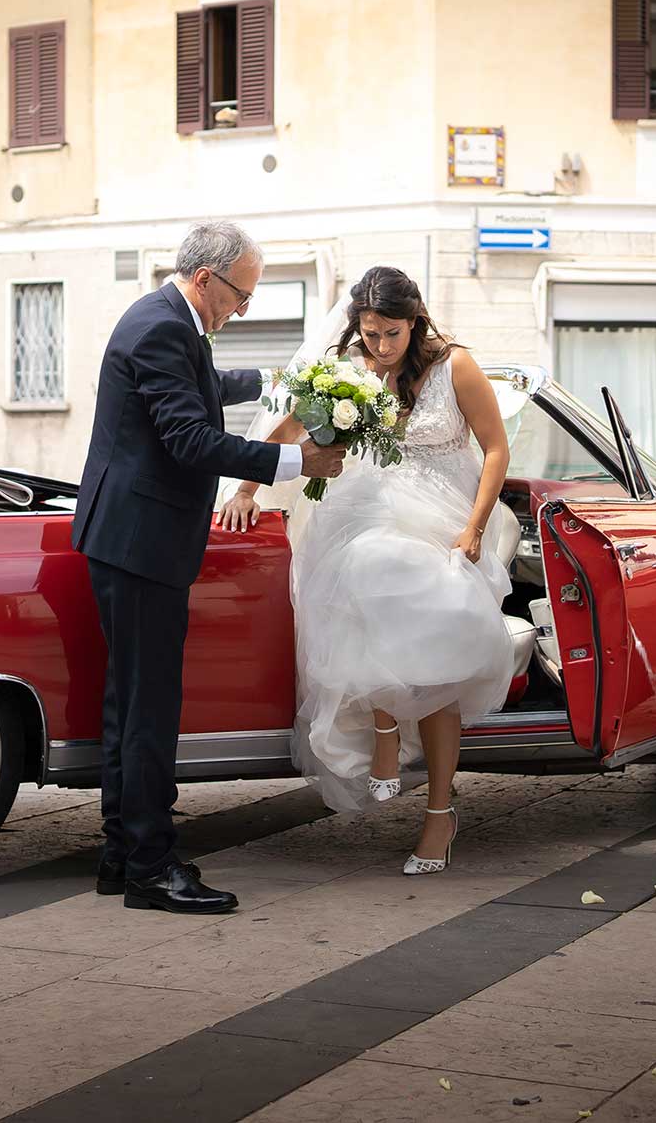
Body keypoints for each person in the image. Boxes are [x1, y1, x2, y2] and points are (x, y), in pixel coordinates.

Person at [73, 221, 346, 914]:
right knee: (149, 711)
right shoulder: (163, 326)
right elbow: (191, 439)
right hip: (142, 543)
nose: (241, 309)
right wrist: (296, 462)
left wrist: (277, 383)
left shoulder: (163, 320)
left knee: (127, 704)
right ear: (205, 280)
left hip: (129, 538)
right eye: (241, 297)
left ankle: (122, 854)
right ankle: (151, 867)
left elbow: (200, 384)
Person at [218, 266, 517, 874]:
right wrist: (246, 487)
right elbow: (295, 425)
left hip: (448, 518)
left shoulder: (455, 365)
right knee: (367, 569)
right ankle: (384, 733)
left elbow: (495, 449)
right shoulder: (350, 365)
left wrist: (474, 530)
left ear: (416, 322)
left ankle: (439, 814)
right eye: (371, 333)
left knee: (437, 666)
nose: (380, 348)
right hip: (368, 511)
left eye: (392, 335)